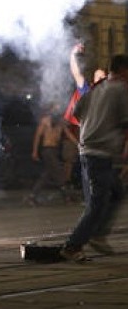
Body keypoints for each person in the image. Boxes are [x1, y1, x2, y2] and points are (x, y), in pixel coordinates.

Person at [60, 54, 128, 262]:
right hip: (99, 153)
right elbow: (126, 122)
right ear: (124, 72)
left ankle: (97, 234)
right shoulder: (121, 91)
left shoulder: (96, 89)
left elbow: (78, 113)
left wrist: (93, 126)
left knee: (117, 192)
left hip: (89, 151)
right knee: (98, 203)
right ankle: (73, 245)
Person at [64, 43, 107, 189]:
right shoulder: (87, 91)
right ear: (94, 80)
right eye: (100, 76)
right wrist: (73, 54)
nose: (103, 79)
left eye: (105, 76)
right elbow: (76, 72)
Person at [25, 104, 74, 205]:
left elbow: (68, 134)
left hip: (55, 150)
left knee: (47, 174)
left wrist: (78, 144)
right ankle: (67, 196)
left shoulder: (61, 123)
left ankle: (32, 196)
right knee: (59, 172)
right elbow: (38, 136)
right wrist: (34, 151)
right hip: (47, 150)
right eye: (54, 110)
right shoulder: (45, 121)